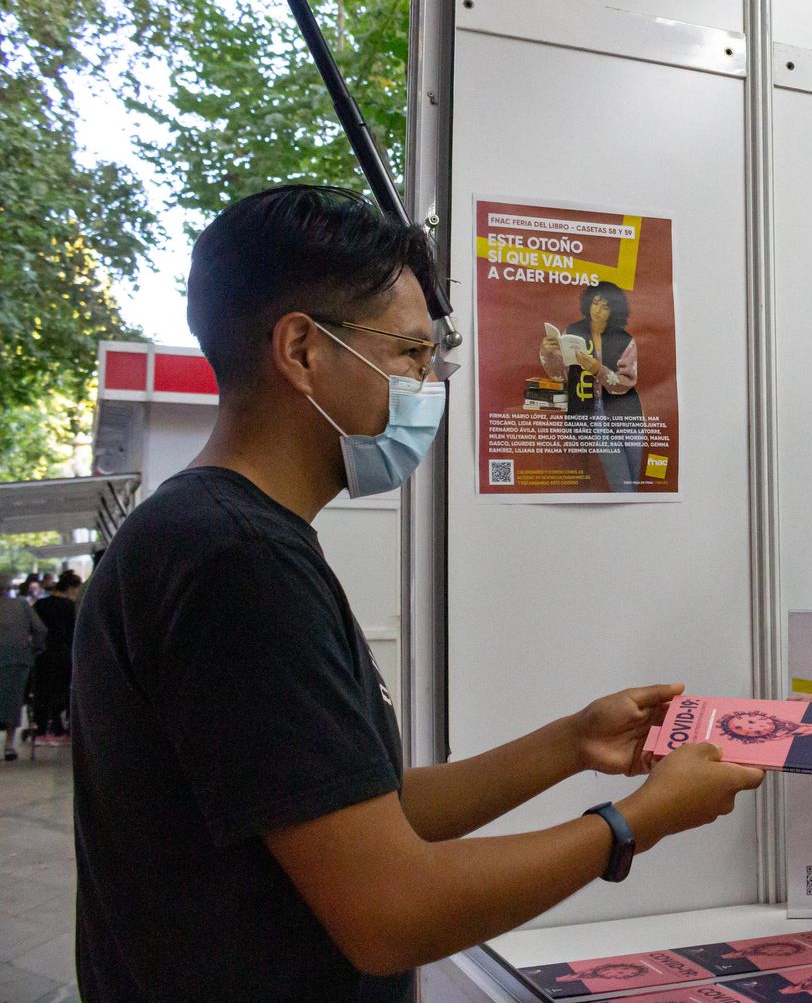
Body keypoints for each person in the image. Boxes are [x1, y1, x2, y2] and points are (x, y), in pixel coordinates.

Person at [72, 184, 764, 1000]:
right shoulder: (237, 560)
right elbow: (392, 913)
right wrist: (638, 821)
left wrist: (574, 741)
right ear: (302, 350)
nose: (427, 384)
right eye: (408, 355)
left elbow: (367, 812)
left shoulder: (216, 534)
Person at [540, 281, 645, 491]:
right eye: (595, 303)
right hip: (591, 413)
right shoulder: (573, 332)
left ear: (614, 310)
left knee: (634, 480)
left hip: (627, 413)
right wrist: (549, 353)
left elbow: (626, 382)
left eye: (605, 306)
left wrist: (598, 370)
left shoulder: (625, 339)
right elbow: (560, 375)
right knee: (621, 485)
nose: (597, 310)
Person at [30, 569, 81, 742]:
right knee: (62, 690)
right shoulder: (69, 607)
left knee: (43, 690)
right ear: (71, 588)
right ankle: (59, 726)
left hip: (43, 654)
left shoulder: (41, 604)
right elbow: (73, 632)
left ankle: (41, 727)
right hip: (63, 654)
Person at [1, 589, 47, 761]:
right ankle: (9, 745)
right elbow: (40, 629)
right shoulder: (21, 605)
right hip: (17, 658)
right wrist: (36, 648)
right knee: (13, 699)